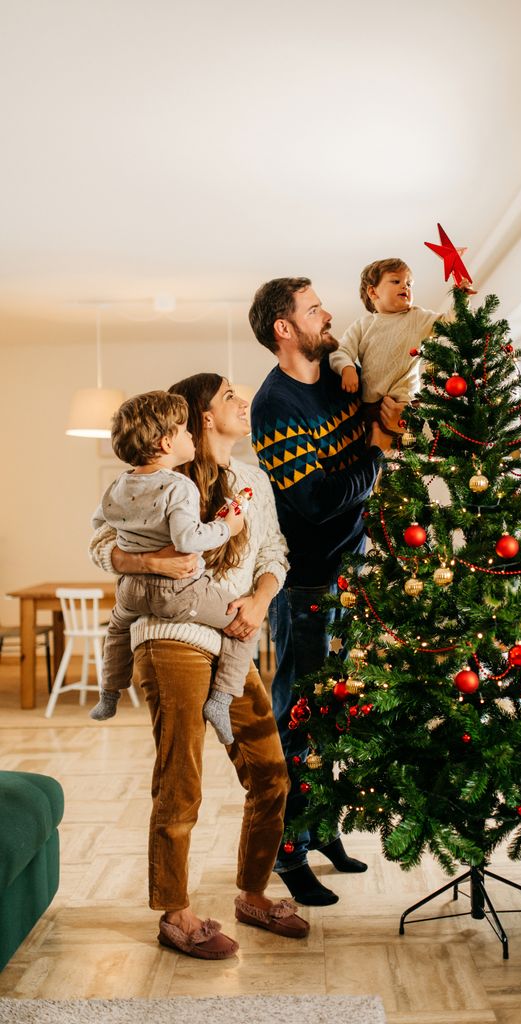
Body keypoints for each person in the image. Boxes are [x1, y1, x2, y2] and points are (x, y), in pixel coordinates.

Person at [90, 372, 308, 959]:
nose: (245, 402)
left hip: (233, 637)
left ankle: (253, 893)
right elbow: (97, 546)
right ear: (202, 417)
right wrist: (155, 565)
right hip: (173, 638)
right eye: (230, 396)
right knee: (181, 778)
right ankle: (175, 913)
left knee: (270, 773)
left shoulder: (252, 482)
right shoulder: (162, 476)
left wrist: (260, 601)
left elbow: (273, 553)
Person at [249, 277, 396, 906]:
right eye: (313, 309)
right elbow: (313, 502)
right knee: (300, 716)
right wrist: (380, 451)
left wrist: (379, 420)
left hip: (353, 567)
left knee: (339, 710)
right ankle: (288, 851)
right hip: (308, 583)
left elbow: (359, 445)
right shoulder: (274, 404)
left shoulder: (339, 379)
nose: (327, 313)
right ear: (285, 329)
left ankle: (325, 827)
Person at [90, 389, 251, 745]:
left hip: (131, 591)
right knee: (244, 627)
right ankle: (222, 700)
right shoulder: (180, 486)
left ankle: (109, 694)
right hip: (178, 593)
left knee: (116, 630)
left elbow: (98, 521)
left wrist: (137, 539)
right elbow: (187, 541)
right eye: (184, 431)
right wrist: (228, 527)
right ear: (165, 443)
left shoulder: (119, 483)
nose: (191, 435)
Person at [329, 257, 442, 410]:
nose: (405, 286)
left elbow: (448, 322)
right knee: (373, 432)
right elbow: (340, 350)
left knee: (397, 433)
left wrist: (461, 297)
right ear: (373, 292)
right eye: (396, 281)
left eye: (409, 284)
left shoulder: (417, 317)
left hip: (406, 402)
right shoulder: (363, 325)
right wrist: (347, 368)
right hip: (371, 404)